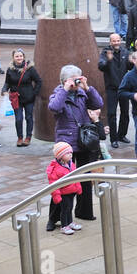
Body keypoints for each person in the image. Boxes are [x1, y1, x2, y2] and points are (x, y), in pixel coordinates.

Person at [48, 65, 104, 221]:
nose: (77, 82)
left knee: (85, 177)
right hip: (66, 143)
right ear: (65, 80)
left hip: (84, 141)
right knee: (64, 181)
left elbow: (98, 104)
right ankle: (58, 217)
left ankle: (84, 211)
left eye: (79, 78)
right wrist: (65, 89)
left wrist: (87, 88)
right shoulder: (58, 94)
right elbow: (54, 107)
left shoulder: (82, 93)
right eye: (74, 79)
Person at [1, 49, 42, 147]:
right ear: (13, 58)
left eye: (20, 56)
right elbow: (7, 82)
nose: (19, 58)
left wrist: (34, 93)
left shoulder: (29, 69)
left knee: (29, 117)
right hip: (16, 98)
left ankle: (28, 137)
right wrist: (4, 89)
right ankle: (20, 137)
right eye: (17, 56)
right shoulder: (10, 69)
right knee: (18, 119)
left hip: (29, 97)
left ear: (23, 57)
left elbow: (39, 81)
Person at [98, 32, 131, 150]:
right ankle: (113, 139)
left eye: (118, 40)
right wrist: (108, 60)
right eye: (114, 41)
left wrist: (133, 62)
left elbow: (130, 66)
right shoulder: (105, 52)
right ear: (110, 42)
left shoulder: (125, 51)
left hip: (124, 87)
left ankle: (122, 135)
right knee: (112, 114)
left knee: (125, 112)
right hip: (111, 87)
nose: (116, 43)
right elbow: (100, 66)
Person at [46, 141, 83, 233]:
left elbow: (76, 177)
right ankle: (64, 225)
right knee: (64, 210)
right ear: (60, 155)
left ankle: (69, 222)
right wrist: (56, 196)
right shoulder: (56, 168)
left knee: (70, 208)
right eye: (67, 153)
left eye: (71, 152)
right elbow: (53, 183)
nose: (70, 155)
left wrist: (78, 188)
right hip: (64, 193)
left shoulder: (71, 164)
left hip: (72, 191)